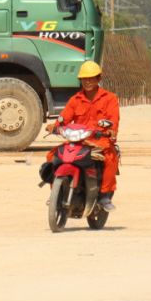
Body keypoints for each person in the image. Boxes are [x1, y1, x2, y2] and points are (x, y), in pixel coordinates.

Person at [48, 60, 121, 211]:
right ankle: (56, 192)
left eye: (91, 78)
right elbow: (64, 117)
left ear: (99, 79)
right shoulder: (75, 100)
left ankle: (105, 196)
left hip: (99, 141)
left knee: (110, 157)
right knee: (52, 156)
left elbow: (113, 121)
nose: (87, 82)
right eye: (84, 79)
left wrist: (110, 130)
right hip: (78, 141)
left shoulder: (110, 98)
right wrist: (54, 127)